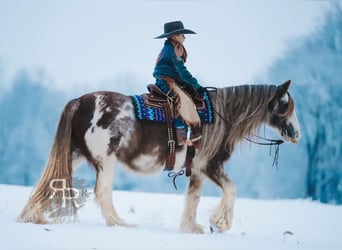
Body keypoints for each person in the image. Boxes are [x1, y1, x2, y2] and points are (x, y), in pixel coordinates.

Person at [153, 20, 205, 148]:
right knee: (182, 100)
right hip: (166, 82)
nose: (184, 37)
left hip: (168, 80)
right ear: (175, 36)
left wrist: (193, 85)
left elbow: (181, 72)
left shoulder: (172, 48)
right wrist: (195, 87)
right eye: (182, 34)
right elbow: (180, 71)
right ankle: (180, 130)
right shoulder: (172, 50)